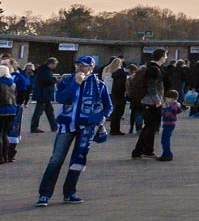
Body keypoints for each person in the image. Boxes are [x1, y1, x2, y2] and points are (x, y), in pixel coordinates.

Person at [36, 55, 118, 206]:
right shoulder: (67, 81)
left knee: (78, 160)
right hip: (67, 125)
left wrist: (101, 117)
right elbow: (62, 98)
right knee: (56, 159)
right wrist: (76, 84)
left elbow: (108, 106)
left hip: (87, 127)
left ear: (91, 68)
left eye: (84, 66)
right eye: (78, 65)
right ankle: (44, 194)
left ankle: (70, 192)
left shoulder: (99, 86)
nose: (80, 68)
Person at [130, 53, 164, 159]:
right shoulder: (154, 70)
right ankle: (138, 151)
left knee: (150, 127)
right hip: (151, 102)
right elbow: (152, 87)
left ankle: (147, 150)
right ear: (162, 57)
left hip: (146, 101)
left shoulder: (146, 68)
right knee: (149, 127)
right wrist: (158, 101)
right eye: (166, 56)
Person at [30, 58, 58, 133]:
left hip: (43, 94)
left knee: (49, 111)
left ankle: (54, 127)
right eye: (54, 65)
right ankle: (34, 127)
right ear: (51, 64)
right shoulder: (45, 71)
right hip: (44, 94)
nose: (55, 66)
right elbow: (47, 81)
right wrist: (55, 80)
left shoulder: (42, 70)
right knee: (39, 112)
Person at [0, 60, 18, 164]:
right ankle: (6, 156)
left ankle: (0, 157)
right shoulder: (12, 83)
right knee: (5, 134)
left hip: (1, 109)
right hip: (11, 110)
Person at [157, 90, 183, 162]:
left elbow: (168, 113)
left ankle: (168, 154)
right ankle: (165, 154)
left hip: (169, 123)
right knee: (165, 140)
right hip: (169, 123)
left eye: (167, 98)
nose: (166, 100)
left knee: (165, 140)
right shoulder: (175, 105)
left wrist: (165, 108)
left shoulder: (173, 106)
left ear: (171, 98)